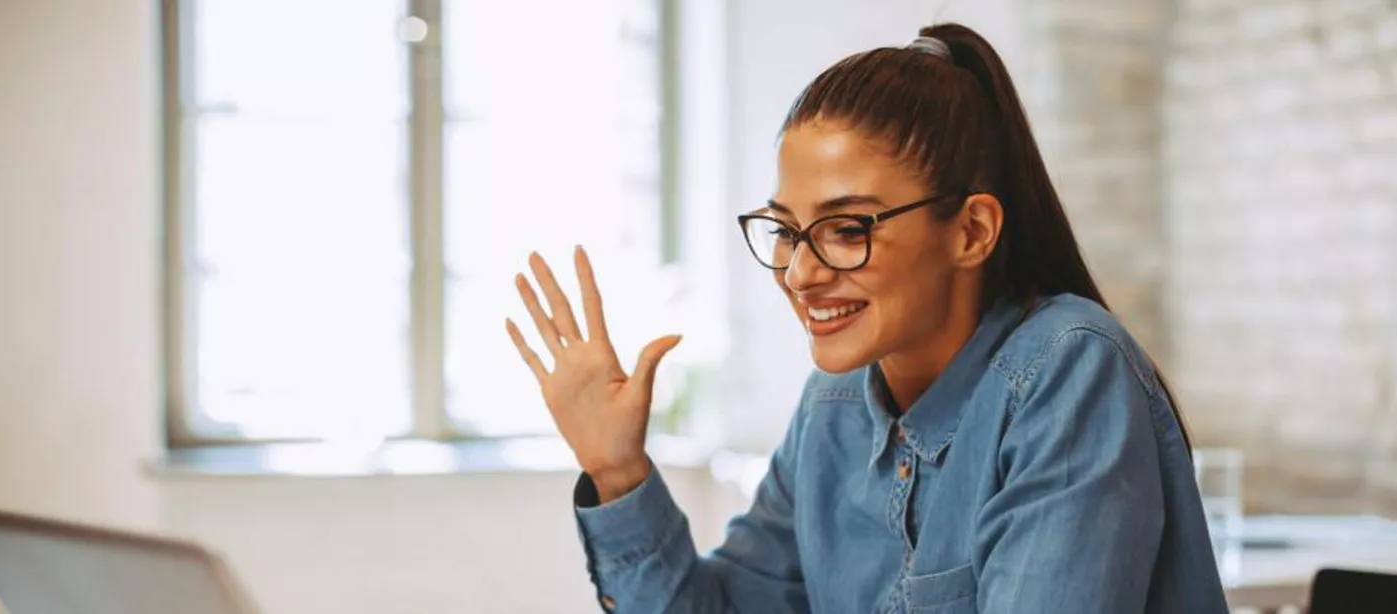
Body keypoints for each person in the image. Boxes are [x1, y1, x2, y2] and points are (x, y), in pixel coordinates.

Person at [504, 22, 1229, 614]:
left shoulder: (1066, 370)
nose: (800, 270)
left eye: (848, 229)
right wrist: (617, 470)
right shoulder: (834, 407)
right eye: (786, 230)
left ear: (972, 230)